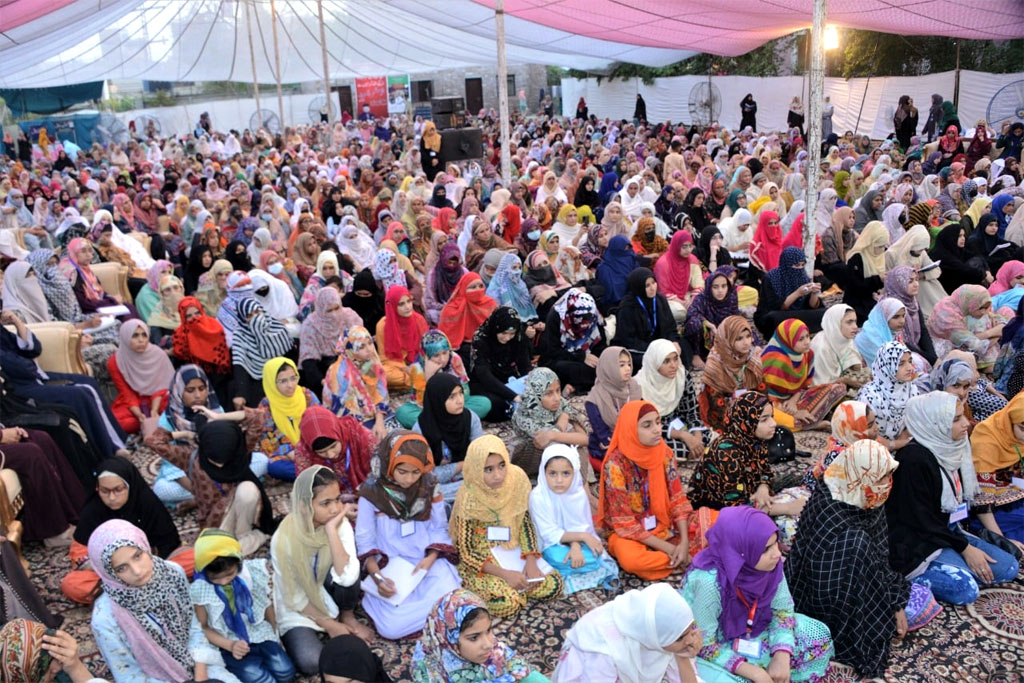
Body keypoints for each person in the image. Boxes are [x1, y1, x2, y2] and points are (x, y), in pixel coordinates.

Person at [786, 438, 941, 678]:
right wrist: (885, 605)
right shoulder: (831, 507)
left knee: (924, 601)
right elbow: (822, 583)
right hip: (825, 602)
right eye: (881, 478)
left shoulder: (866, 495)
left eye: (888, 477)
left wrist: (895, 602)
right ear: (859, 474)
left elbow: (880, 556)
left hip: (864, 580)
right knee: (887, 622)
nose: (886, 484)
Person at [887, 392, 1020, 604]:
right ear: (935, 422)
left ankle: (954, 562)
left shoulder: (953, 445)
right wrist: (965, 549)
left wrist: (964, 546)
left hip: (949, 530)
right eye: (956, 419)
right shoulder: (914, 460)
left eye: (963, 416)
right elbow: (921, 521)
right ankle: (920, 575)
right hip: (919, 541)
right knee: (965, 590)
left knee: (1009, 567)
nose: (967, 423)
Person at [680, 506, 834, 682]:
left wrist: (781, 654)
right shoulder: (709, 582)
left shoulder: (771, 565)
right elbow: (704, 645)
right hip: (717, 644)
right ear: (740, 552)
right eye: (765, 549)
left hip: (755, 629)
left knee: (817, 635)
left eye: (776, 543)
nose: (777, 554)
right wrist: (752, 672)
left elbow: (782, 611)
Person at [88, 519, 242, 682]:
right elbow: (130, 676)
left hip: (199, 666)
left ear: (145, 546)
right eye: (121, 568)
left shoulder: (172, 573)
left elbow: (193, 629)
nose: (137, 571)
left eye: (138, 556)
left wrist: (200, 676)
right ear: (108, 573)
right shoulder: (105, 618)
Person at [354, 430, 462, 639]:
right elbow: (365, 540)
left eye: (416, 472)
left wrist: (430, 559)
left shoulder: (429, 485)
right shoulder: (371, 493)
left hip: (425, 562)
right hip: (389, 566)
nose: (409, 479)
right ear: (389, 463)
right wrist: (377, 578)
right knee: (391, 627)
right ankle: (440, 617)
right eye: (402, 471)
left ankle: (442, 613)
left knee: (453, 597)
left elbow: (439, 529)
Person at [270, 466, 371, 676]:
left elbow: (348, 576)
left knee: (348, 568)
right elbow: (294, 596)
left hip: (326, 588)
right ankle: (333, 622)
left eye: (337, 499)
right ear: (304, 506)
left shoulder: (337, 524)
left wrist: (331, 531)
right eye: (326, 503)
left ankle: (347, 615)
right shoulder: (282, 540)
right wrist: (330, 626)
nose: (335, 509)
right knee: (311, 662)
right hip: (298, 606)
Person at [448, 435, 563, 618]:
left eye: (502, 465)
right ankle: (514, 590)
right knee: (508, 604)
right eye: (488, 469)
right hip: (484, 559)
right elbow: (466, 551)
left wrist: (531, 561)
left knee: (554, 585)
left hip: (512, 546)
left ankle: (519, 587)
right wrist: (504, 574)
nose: (498, 475)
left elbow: (524, 522)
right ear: (476, 469)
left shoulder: (515, 480)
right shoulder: (469, 497)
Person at [598, 400, 696, 580]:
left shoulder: (664, 453)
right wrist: (671, 549)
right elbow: (625, 523)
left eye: (658, 422)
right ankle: (692, 559)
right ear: (630, 429)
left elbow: (678, 500)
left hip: (665, 523)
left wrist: (683, 542)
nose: (657, 429)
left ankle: (680, 558)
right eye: (647, 425)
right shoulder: (615, 464)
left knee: (716, 523)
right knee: (631, 560)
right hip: (629, 533)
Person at [190, 528, 296, 683]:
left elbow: (266, 606)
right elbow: (203, 627)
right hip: (227, 641)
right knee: (262, 680)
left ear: (238, 563)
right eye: (216, 578)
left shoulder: (251, 573)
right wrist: (231, 645)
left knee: (286, 673)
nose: (224, 582)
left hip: (259, 632)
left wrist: (274, 636)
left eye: (229, 575)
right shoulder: (201, 589)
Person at [554, 583, 702, 683]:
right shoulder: (605, 650)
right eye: (681, 638)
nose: (690, 641)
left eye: (691, 629)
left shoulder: (657, 629)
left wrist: (682, 658)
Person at [410, 588, 549, 682]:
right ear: (447, 639)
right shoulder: (428, 672)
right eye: (474, 638)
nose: (488, 644)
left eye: (488, 630)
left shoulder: (496, 651)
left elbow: (526, 674)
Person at [762, 319, 847, 431]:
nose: (807, 342)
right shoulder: (776, 360)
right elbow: (764, 398)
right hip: (773, 405)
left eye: (807, 336)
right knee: (768, 418)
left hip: (794, 399)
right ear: (788, 340)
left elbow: (805, 385)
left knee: (838, 388)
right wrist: (794, 413)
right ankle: (809, 424)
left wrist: (793, 401)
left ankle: (808, 420)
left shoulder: (807, 354)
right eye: (800, 339)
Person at [510, 367, 590, 478]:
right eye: (549, 393)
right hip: (531, 459)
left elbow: (585, 439)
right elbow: (546, 442)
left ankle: (583, 489)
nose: (557, 398)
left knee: (573, 443)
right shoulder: (524, 416)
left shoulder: (561, 403)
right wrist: (562, 421)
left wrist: (555, 433)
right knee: (567, 440)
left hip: (559, 453)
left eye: (558, 390)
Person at [968, 393, 1024, 547]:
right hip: (995, 513)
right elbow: (982, 503)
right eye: (1023, 429)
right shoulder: (988, 441)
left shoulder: (1016, 435)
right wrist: (1002, 541)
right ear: (1010, 420)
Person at [323, 326, 393, 440]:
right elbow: (345, 416)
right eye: (362, 346)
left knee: (397, 435)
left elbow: (381, 397)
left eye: (370, 343)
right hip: (352, 424)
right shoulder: (339, 373)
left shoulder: (372, 361)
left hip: (375, 415)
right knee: (377, 443)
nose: (370, 349)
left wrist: (379, 423)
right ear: (351, 350)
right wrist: (371, 431)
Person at [698, 315, 766, 430]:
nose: (746, 343)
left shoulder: (752, 358)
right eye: (739, 339)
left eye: (748, 336)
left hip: (748, 408)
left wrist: (756, 412)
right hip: (721, 412)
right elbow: (715, 404)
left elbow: (762, 392)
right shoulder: (715, 363)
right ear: (727, 339)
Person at [258, 357, 319, 482]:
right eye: (283, 381)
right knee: (274, 467)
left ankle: (312, 474)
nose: (290, 385)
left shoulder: (307, 396)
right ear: (271, 382)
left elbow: (319, 424)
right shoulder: (266, 406)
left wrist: (309, 451)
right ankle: (316, 475)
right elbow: (269, 438)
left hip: (313, 449)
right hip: (286, 455)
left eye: (293, 378)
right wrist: (292, 453)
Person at [107, 319, 173, 434]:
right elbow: (126, 393)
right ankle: (156, 423)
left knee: (173, 407)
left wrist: (154, 409)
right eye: (135, 336)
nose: (141, 340)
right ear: (125, 337)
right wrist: (139, 415)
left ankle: (157, 422)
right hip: (133, 401)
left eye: (144, 335)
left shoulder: (158, 354)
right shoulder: (115, 361)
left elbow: (162, 386)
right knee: (115, 422)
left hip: (158, 398)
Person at [469, 306, 534, 421]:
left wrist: (531, 378)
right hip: (485, 383)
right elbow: (484, 375)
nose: (507, 338)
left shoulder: (518, 337)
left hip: (509, 378)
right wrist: (513, 396)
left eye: (511, 333)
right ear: (496, 328)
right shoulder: (481, 339)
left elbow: (524, 364)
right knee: (496, 405)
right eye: (504, 333)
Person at [293, 405, 375, 494]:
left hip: (368, 491)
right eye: (322, 452)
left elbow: (382, 472)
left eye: (333, 446)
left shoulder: (360, 436)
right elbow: (306, 489)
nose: (331, 455)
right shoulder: (304, 451)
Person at [584, 346, 643, 469]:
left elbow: (641, 419)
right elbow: (603, 435)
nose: (628, 369)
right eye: (621, 365)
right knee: (623, 462)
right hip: (608, 443)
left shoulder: (634, 388)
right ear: (609, 368)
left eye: (628, 364)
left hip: (632, 437)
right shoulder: (595, 399)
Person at [539, 288, 607, 393]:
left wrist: (599, 359)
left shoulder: (593, 314)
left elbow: (600, 344)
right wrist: (581, 356)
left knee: (609, 366)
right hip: (564, 358)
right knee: (559, 369)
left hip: (590, 359)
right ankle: (580, 386)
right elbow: (552, 352)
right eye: (579, 320)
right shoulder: (557, 316)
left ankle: (575, 387)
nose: (584, 325)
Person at [231, 297, 294, 408]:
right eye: (249, 316)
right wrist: (241, 394)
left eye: (257, 312)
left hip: (283, 379)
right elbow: (239, 364)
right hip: (258, 381)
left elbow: (290, 355)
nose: (256, 318)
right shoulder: (240, 335)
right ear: (243, 319)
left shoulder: (277, 328)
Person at [856, 341, 919, 451]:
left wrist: (903, 440)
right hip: (872, 450)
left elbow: (914, 423)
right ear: (887, 366)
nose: (910, 368)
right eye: (901, 364)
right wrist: (896, 444)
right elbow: (863, 436)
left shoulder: (911, 389)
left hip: (901, 444)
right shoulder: (869, 395)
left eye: (910, 361)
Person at [612, 267, 680, 366]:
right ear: (638, 287)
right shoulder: (627, 306)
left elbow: (670, 327)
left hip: (660, 345)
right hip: (639, 348)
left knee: (682, 347)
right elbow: (628, 339)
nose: (653, 288)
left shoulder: (660, 299)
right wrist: (655, 348)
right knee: (642, 361)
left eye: (653, 283)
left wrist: (674, 341)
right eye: (647, 285)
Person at [927, 284, 1003, 370]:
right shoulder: (948, 317)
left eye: (986, 308)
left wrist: (997, 329)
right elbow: (978, 347)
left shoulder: (961, 303)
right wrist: (996, 333)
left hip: (964, 343)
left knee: (985, 320)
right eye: (981, 308)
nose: (984, 312)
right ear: (972, 303)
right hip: (943, 353)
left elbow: (997, 318)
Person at [755, 245, 825, 338]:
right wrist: (797, 293)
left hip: (798, 313)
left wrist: (814, 293)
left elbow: (812, 306)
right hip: (777, 314)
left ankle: (797, 327)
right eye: (797, 265)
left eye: (802, 265)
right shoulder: (771, 278)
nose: (800, 268)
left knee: (825, 313)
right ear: (786, 265)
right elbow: (776, 307)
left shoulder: (803, 277)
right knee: (774, 318)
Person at [377, 285, 428, 392]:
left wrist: (416, 367)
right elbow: (384, 358)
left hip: (419, 363)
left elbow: (427, 349)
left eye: (409, 301)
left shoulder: (419, 320)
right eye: (401, 304)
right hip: (397, 366)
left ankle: (415, 381)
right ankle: (418, 381)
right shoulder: (382, 325)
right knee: (381, 372)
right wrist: (404, 367)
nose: (408, 307)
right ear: (392, 306)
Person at [811, 303, 870, 391]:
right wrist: (844, 380)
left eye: (855, 321)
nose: (855, 327)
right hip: (821, 389)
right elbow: (818, 383)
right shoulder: (821, 347)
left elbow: (855, 365)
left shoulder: (846, 339)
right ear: (835, 323)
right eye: (849, 322)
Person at [843, 221, 889, 324]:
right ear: (870, 243)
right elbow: (857, 286)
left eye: (883, 246)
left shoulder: (880, 256)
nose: (882, 250)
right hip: (858, 303)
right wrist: (878, 279)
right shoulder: (857, 258)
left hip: (873, 298)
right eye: (879, 246)